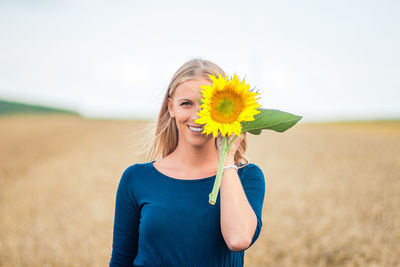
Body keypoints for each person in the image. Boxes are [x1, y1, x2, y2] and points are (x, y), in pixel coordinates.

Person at [109, 59, 265, 267]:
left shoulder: (246, 177)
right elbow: (121, 262)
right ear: (171, 107)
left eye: (210, 106)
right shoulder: (137, 179)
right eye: (186, 104)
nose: (197, 116)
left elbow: (238, 239)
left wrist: (227, 157)